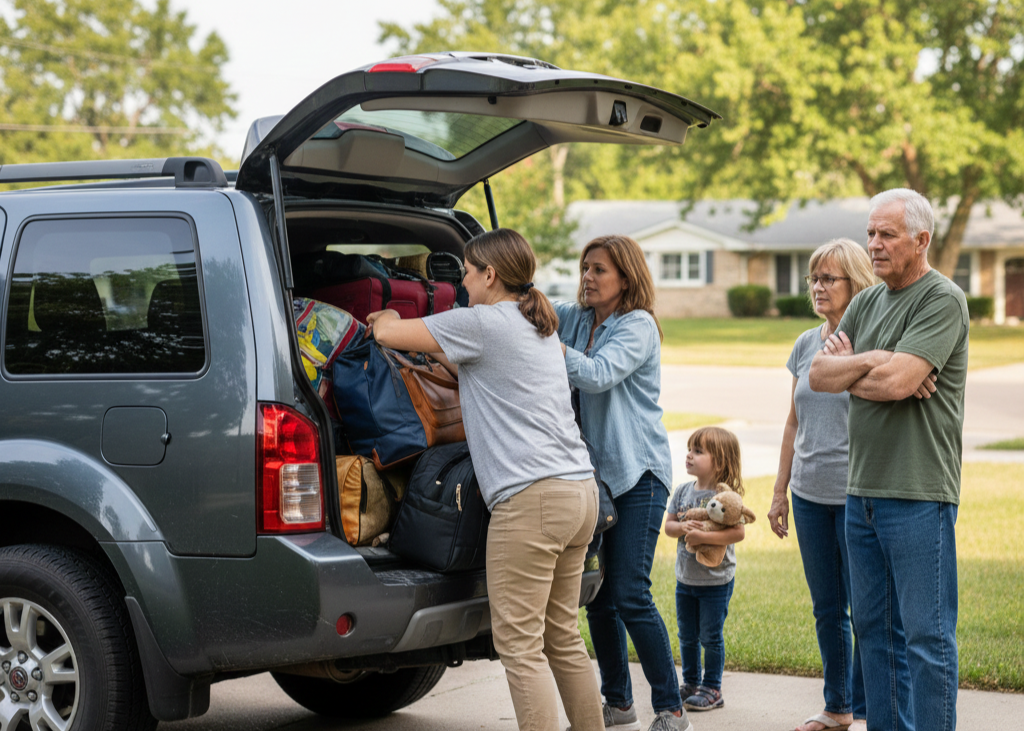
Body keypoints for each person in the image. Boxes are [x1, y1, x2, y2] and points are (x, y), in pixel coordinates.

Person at [369, 228, 603, 731]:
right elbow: (471, 366)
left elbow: (389, 335)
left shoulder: (481, 322)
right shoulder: (535, 324)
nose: (463, 284)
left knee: (519, 645)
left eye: (468, 274)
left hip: (533, 502)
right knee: (560, 635)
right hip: (579, 492)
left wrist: (381, 313)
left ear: (491, 275)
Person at [809, 189, 968, 731]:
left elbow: (901, 384)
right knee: (874, 635)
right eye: (870, 233)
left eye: (887, 234)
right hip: (861, 494)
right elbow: (818, 376)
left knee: (926, 639)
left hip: (919, 493)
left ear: (921, 240)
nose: (873, 244)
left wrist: (859, 368)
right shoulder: (866, 302)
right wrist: (877, 359)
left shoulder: (941, 299)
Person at [554, 235, 689, 731]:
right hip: (595, 481)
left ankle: (672, 710)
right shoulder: (576, 318)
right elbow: (531, 309)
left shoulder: (638, 326)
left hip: (640, 476)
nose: (588, 277)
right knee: (600, 598)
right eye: (585, 267)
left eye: (600, 270)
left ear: (626, 277)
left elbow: (595, 374)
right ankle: (618, 703)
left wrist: (547, 342)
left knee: (631, 592)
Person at [767, 239, 877, 731]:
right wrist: (778, 491)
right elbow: (793, 423)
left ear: (855, 284)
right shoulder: (805, 344)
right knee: (827, 609)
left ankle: (869, 707)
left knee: (868, 611)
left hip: (857, 495)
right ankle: (837, 708)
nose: (817, 287)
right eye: (814, 278)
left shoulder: (871, 341)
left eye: (828, 278)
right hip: (808, 495)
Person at [665, 426, 748, 714]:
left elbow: (737, 534)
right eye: (690, 449)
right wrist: (683, 527)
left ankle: (712, 687)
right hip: (685, 579)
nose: (689, 455)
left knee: (710, 636)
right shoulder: (682, 491)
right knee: (687, 635)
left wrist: (704, 538)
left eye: (698, 451)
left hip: (716, 582)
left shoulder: (726, 497)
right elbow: (669, 526)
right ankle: (690, 683)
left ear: (720, 461)